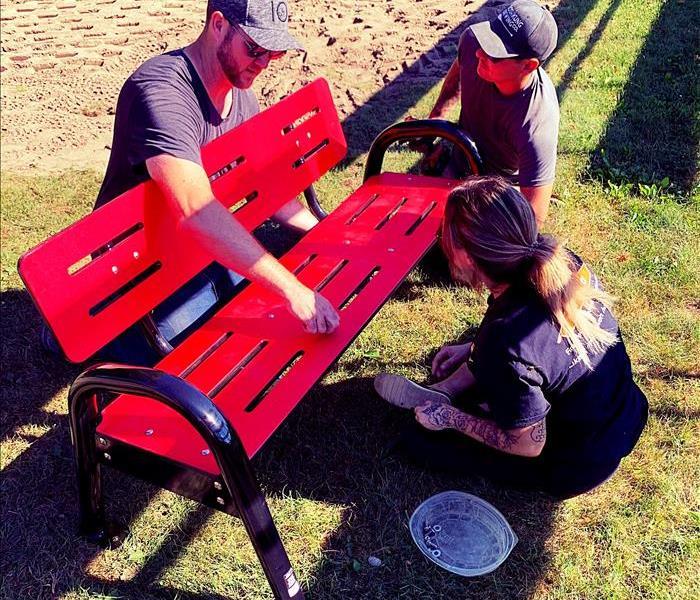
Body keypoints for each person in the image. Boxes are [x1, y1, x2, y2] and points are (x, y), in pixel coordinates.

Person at [79, 0, 339, 365]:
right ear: (218, 24)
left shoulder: (240, 93)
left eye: (274, 53)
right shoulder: (162, 91)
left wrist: (324, 232)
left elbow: (259, 186)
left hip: (190, 258)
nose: (263, 63)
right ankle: (78, 328)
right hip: (136, 280)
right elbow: (196, 210)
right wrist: (292, 289)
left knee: (265, 302)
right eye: (255, 48)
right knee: (230, 337)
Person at [374, 177, 648, 499]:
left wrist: (453, 419)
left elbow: (528, 443)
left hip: (576, 462)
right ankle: (452, 389)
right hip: (625, 413)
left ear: (467, 258)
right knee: (498, 364)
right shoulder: (560, 260)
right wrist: (473, 349)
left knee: (421, 442)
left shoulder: (504, 340)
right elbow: (539, 344)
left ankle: (454, 401)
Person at [418, 0, 560, 227]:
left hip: (498, 188)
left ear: (528, 66)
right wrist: (437, 116)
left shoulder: (535, 123)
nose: (479, 53)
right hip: (461, 157)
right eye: (487, 38)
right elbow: (461, 65)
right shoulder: (473, 43)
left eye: (494, 52)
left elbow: (533, 218)